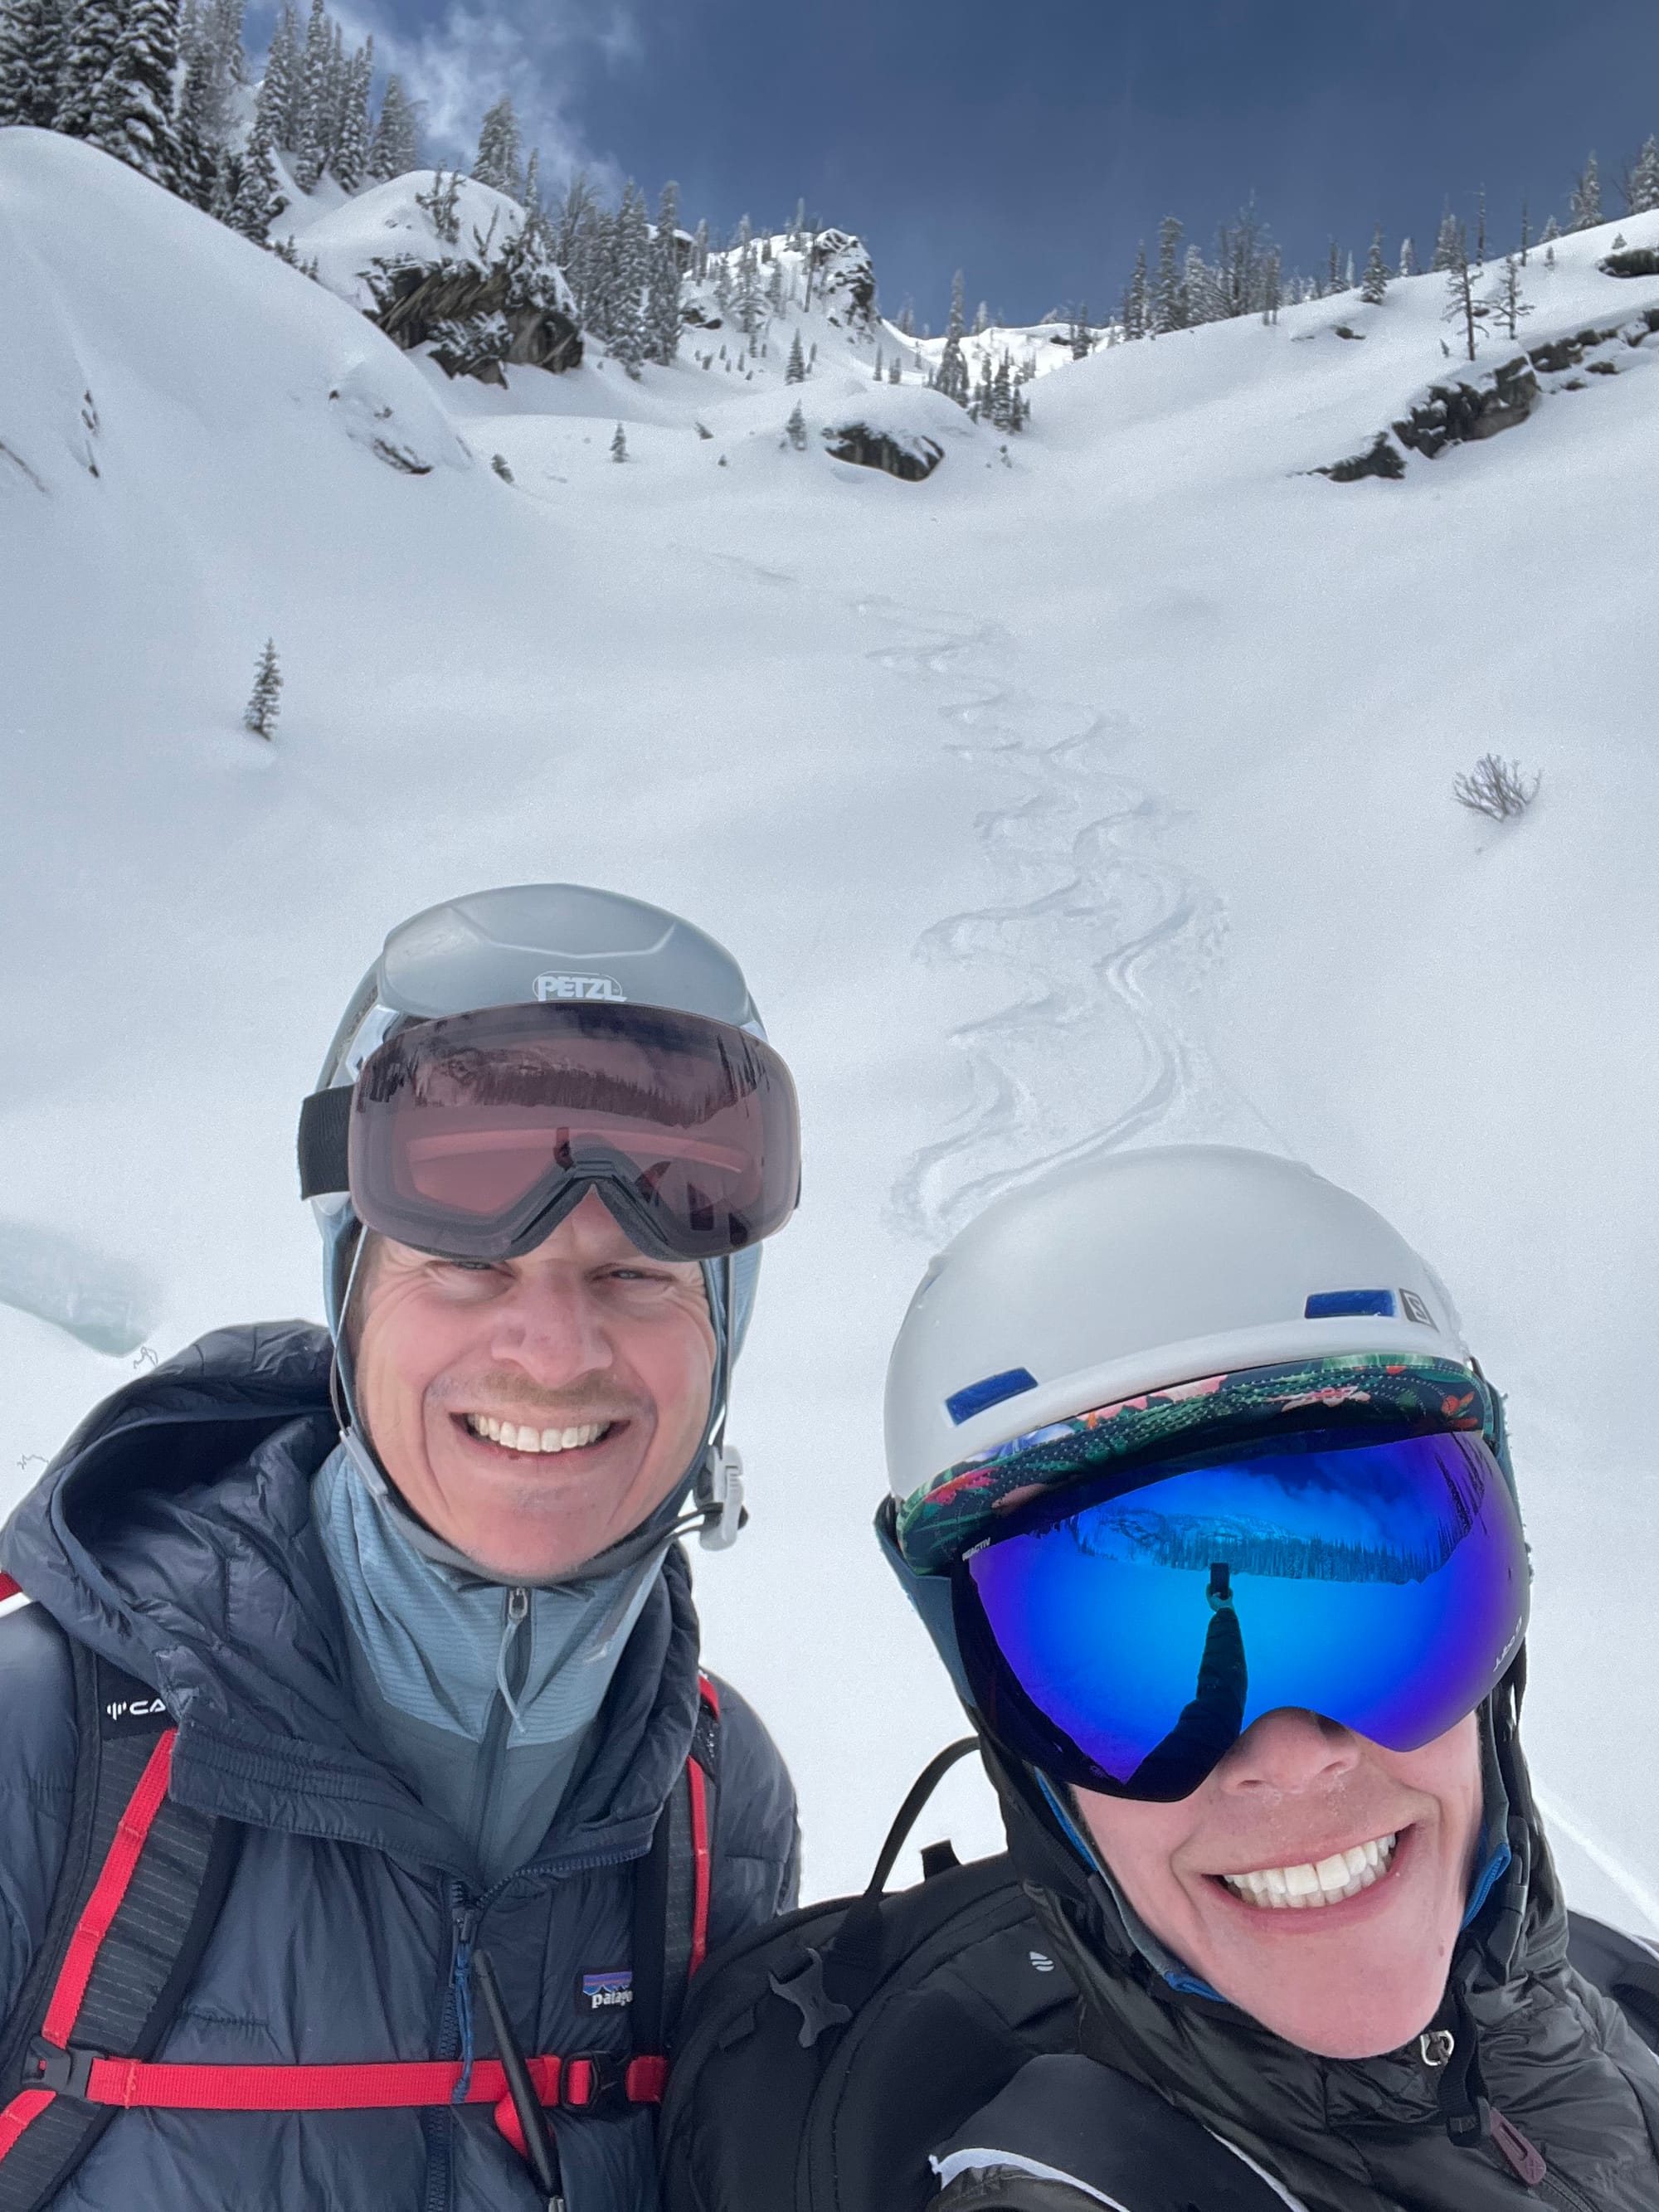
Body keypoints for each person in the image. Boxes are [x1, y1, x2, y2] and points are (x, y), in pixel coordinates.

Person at [0, 883, 803, 2212]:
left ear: (721, 1340)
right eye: (467, 1267)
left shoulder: (715, 1809)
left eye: (634, 1277)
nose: (552, 1349)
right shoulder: (46, 1753)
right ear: (351, 1300)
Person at [879, 1144, 1659, 2211]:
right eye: (1123, 1675)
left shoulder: (1620, 1996)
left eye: (1376, 1617)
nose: (1291, 1760)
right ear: (1021, 1748)